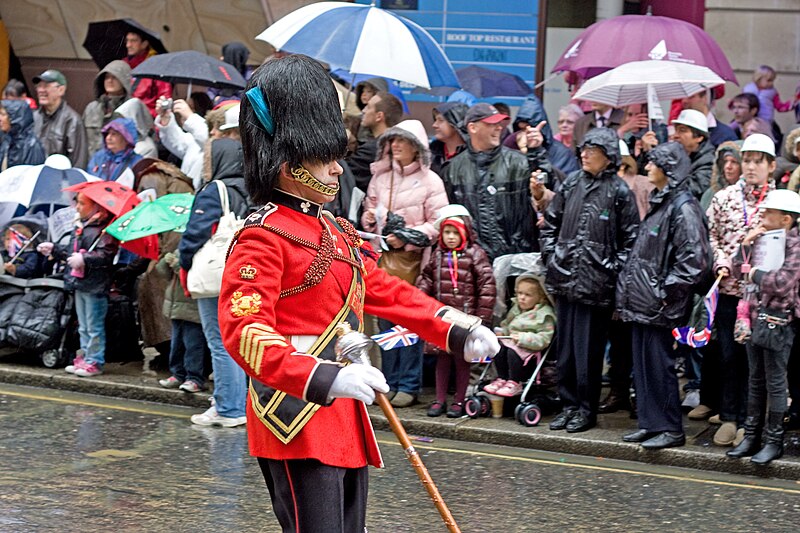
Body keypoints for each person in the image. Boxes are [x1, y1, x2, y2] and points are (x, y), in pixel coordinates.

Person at [218, 54, 499, 532]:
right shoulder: (262, 235)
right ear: (287, 162)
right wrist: (321, 377)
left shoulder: (332, 228)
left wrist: (455, 327)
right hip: (295, 409)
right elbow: (245, 330)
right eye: (322, 158)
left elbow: (382, 289)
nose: (335, 169)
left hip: (343, 407)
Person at [540, 127, 640, 433]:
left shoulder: (620, 192)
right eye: (583, 149)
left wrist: (610, 269)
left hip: (596, 285)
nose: (584, 154)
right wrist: (553, 257)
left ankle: (585, 408)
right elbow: (550, 224)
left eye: (592, 150)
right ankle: (569, 404)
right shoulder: (572, 183)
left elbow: (631, 242)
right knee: (567, 350)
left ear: (608, 157)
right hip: (565, 279)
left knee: (589, 353)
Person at [617, 142, 711, 450]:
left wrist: (663, 291)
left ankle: (670, 427)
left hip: (660, 303)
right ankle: (650, 423)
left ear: (667, 169)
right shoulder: (664, 202)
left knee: (660, 366)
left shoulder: (683, 207)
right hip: (646, 301)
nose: (646, 168)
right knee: (644, 366)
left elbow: (694, 260)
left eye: (653, 163)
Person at [361, 119, 448, 407]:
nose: (395, 145)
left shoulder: (431, 181)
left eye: (402, 141)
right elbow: (368, 209)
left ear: (417, 147)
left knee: (408, 322)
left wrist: (407, 237)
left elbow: (439, 223)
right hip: (383, 259)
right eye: (392, 141)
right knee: (385, 322)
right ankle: (390, 381)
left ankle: (409, 384)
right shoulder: (381, 177)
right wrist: (370, 218)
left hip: (412, 261)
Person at [700, 133, 777, 446]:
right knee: (729, 355)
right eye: (747, 159)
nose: (750, 166)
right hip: (730, 290)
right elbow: (711, 237)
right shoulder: (723, 198)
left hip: (764, 295)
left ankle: (752, 421)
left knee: (757, 360)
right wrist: (719, 260)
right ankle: (730, 417)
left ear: (771, 166)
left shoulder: (779, 201)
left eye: (757, 161)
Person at [179, 138, 251, 427]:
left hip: (215, 276)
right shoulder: (252, 187)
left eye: (209, 157)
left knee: (220, 342)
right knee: (241, 341)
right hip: (244, 272)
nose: (206, 163)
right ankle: (239, 401)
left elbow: (195, 234)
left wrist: (185, 262)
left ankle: (229, 407)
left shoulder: (214, 191)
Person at [728, 189, 800, 464]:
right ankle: (751, 437)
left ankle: (774, 441)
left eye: (769, 212)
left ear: (785, 219)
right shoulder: (759, 237)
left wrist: (753, 273)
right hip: (753, 314)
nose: (763, 214)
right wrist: (746, 246)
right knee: (755, 380)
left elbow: (782, 284)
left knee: (776, 383)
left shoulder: (795, 245)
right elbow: (737, 269)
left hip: (779, 319)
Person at [417, 204, 496, 417]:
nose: (451, 237)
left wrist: (482, 319)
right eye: (446, 232)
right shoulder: (438, 254)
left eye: (455, 232)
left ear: (465, 232)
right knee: (441, 358)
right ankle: (439, 399)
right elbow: (426, 278)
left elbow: (487, 288)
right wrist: (420, 298)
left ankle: (459, 401)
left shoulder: (475, 254)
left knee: (462, 360)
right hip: (442, 317)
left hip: (465, 319)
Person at [37, 192, 119, 377]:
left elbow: (106, 254)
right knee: (83, 324)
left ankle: (95, 361)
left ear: (96, 207)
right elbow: (70, 252)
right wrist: (55, 249)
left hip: (95, 284)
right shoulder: (81, 225)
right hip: (80, 282)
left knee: (93, 324)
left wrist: (85, 258)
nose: (78, 207)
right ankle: (85, 356)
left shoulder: (106, 229)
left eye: (83, 203)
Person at [443, 103, 537, 260]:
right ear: (473, 128)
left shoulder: (520, 162)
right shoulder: (453, 169)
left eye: (499, 123)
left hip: (515, 258)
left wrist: (537, 153)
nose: (499, 128)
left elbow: (546, 195)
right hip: (471, 262)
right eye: (492, 124)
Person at [484, 274, 555, 399]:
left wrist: (523, 338)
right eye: (520, 293)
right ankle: (502, 378)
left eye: (528, 295)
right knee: (498, 348)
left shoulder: (544, 315)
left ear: (541, 297)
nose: (522, 298)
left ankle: (515, 381)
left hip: (529, 353)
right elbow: (507, 325)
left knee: (512, 351)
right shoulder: (516, 309)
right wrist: (502, 332)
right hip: (511, 343)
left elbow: (544, 339)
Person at [155, 250, 206, 393]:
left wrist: (177, 266)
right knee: (176, 343)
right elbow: (162, 273)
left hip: (191, 305)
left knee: (193, 345)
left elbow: (195, 279)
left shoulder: (204, 251)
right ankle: (178, 374)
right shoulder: (181, 248)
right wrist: (165, 260)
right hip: (176, 305)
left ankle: (195, 378)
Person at [642, 109, 714, 201]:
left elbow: (690, 191)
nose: (675, 135)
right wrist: (652, 154)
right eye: (676, 130)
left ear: (699, 137)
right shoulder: (676, 154)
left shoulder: (708, 161)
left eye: (682, 131)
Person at [502, 95, 580, 175]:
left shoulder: (562, 154)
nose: (526, 134)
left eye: (530, 130)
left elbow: (565, 183)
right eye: (521, 130)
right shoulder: (513, 144)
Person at [346, 91, 403, 192]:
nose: (363, 111)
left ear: (379, 116)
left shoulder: (374, 149)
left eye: (368, 107)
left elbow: (343, 174)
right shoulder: (394, 144)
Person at [32, 69, 88, 168]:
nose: (41, 90)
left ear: (61, 90)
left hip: (60, 180)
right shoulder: (34, 117)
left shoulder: (72, 120)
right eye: (39, 86)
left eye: (46, 86)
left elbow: (78, 161)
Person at [155, 96, 209, 189]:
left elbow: (208, 141)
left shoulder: (220, 143)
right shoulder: (194, 139)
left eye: (190, 107)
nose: (183, 110)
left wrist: (190, 117)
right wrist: (166, 117)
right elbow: (177, 142)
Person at [82, 60, 132, 156]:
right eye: (107, 77)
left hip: (120, 165)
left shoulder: (131, 109)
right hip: (92, 164)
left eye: (114, 77)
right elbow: (82, 142)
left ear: (124, 80)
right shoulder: (92, 108)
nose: (109, 81)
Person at [122, 29, 173, 117]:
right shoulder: (122, 65)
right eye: (127, 40)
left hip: (146, 123)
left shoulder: (156, 68)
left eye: (133, 41)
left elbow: (164, 99)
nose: (128, 45)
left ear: (144, 44)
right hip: (121, 121)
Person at [86, 117, 142, 183]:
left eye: (114, 134)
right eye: (108, 134)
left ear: (126, 139)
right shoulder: (98, 157)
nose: (108, 138)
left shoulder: (137, 163)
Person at [0, 99, 45, 168]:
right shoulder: (6, 139)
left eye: (3, 114)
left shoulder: (32, 146)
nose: (0, 118)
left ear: (15, 118)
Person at [429, 102, 467, 177]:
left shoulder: (473, 156)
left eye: (440, 120)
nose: (434, 125)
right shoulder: (431, 153)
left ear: (456, 123)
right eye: (435, 120)